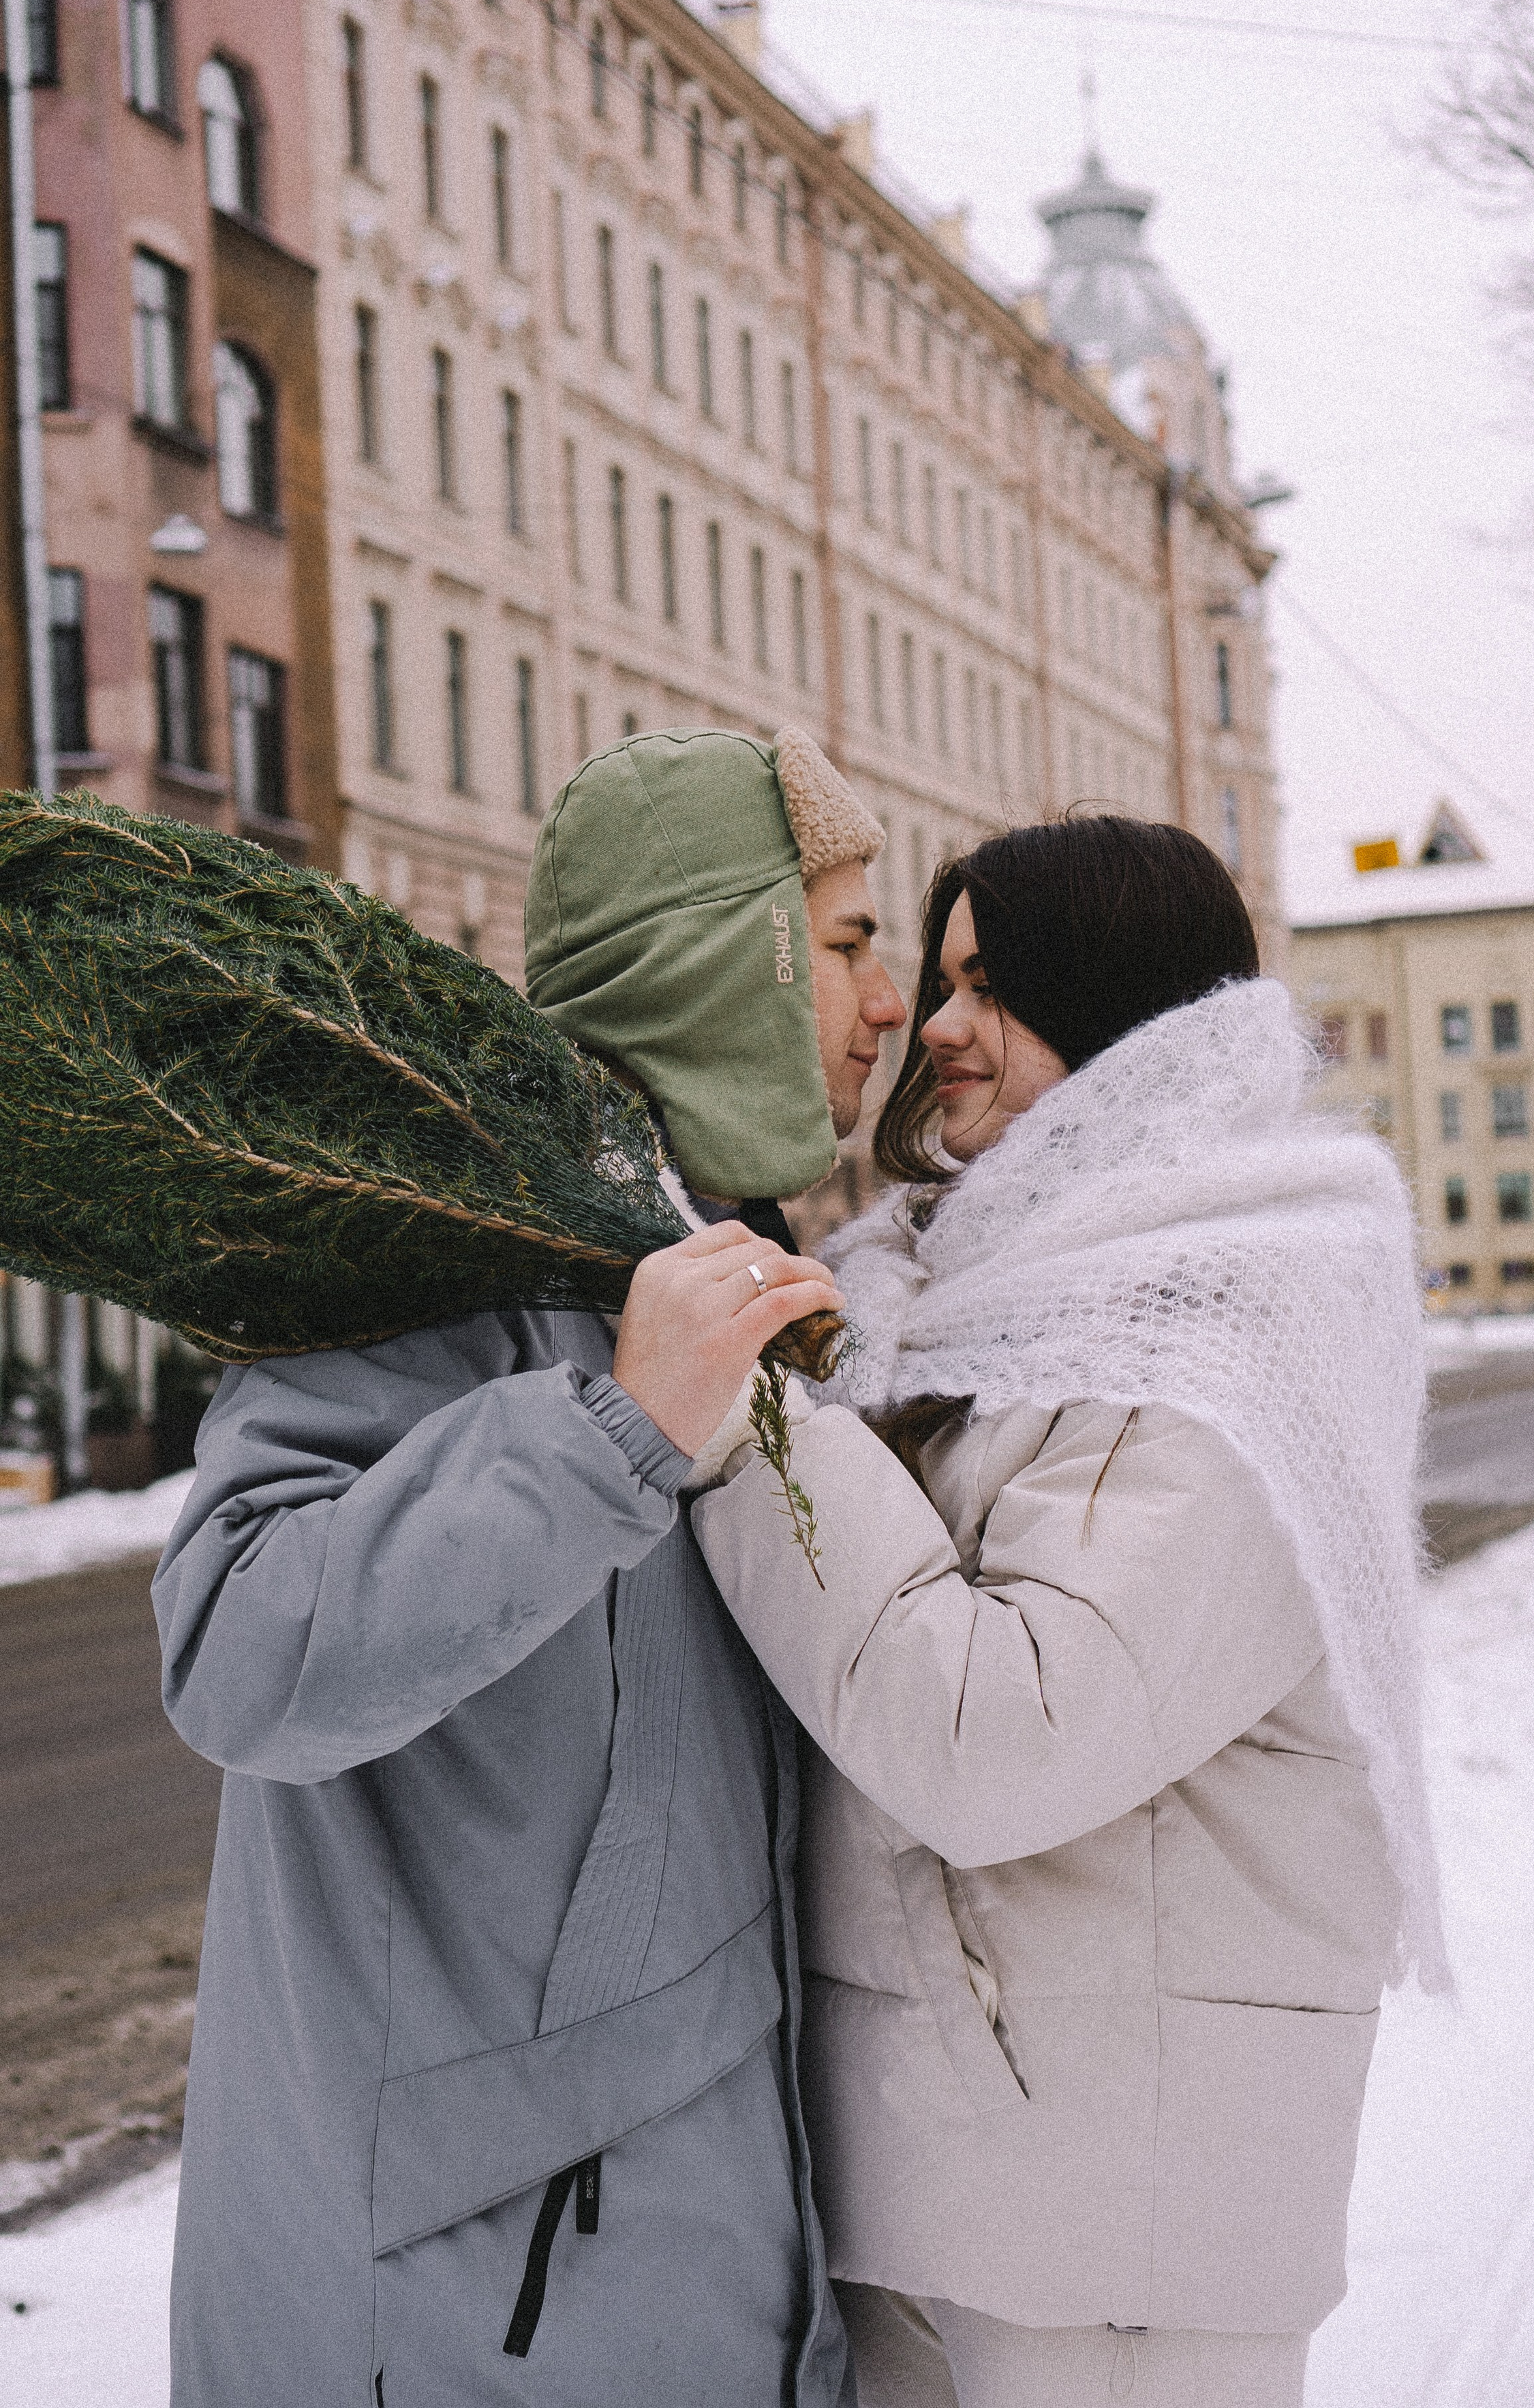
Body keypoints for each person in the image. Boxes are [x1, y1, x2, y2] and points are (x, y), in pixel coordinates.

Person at [152, 726, 903, 2407]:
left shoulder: (726, 1278)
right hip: (455, 2306)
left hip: (663, 2273)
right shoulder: (429, 1255)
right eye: (847, 945)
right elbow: (237, 1651)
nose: (888, 1008)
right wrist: (610, 1431)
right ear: (718, 960)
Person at [690, 816, 1447, 2408]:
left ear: (1122, 1013)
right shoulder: (949, 1292)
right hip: (952, 2158)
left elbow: (1002, 1742)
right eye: (939, 973)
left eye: (995, 985)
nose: (934, 1024)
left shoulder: (1232, 1319)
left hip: (1122, 2219)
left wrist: (748, 1420)